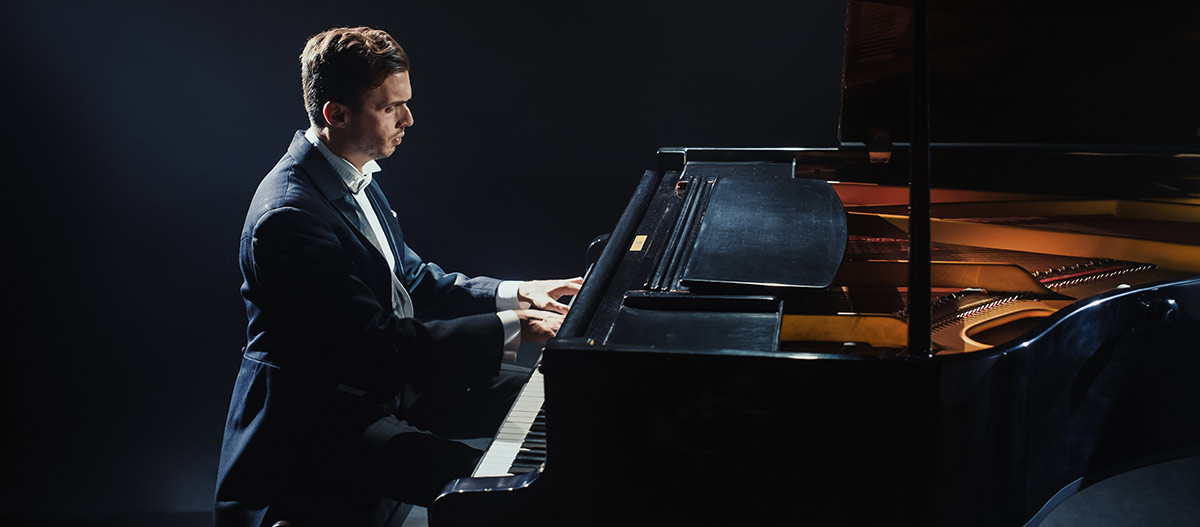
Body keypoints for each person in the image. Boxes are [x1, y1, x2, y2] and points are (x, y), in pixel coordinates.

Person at [214, 26, 581, 527]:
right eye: (390, 107)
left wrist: (517, 292)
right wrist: (513, 326)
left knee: (546, 399)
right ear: (336, 114)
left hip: (386, 387)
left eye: (405, 103)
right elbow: (372, 345)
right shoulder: (290, 215)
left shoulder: (350, 172)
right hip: (325, 422)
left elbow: (409, 277)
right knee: (491, 487)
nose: (408, 118)